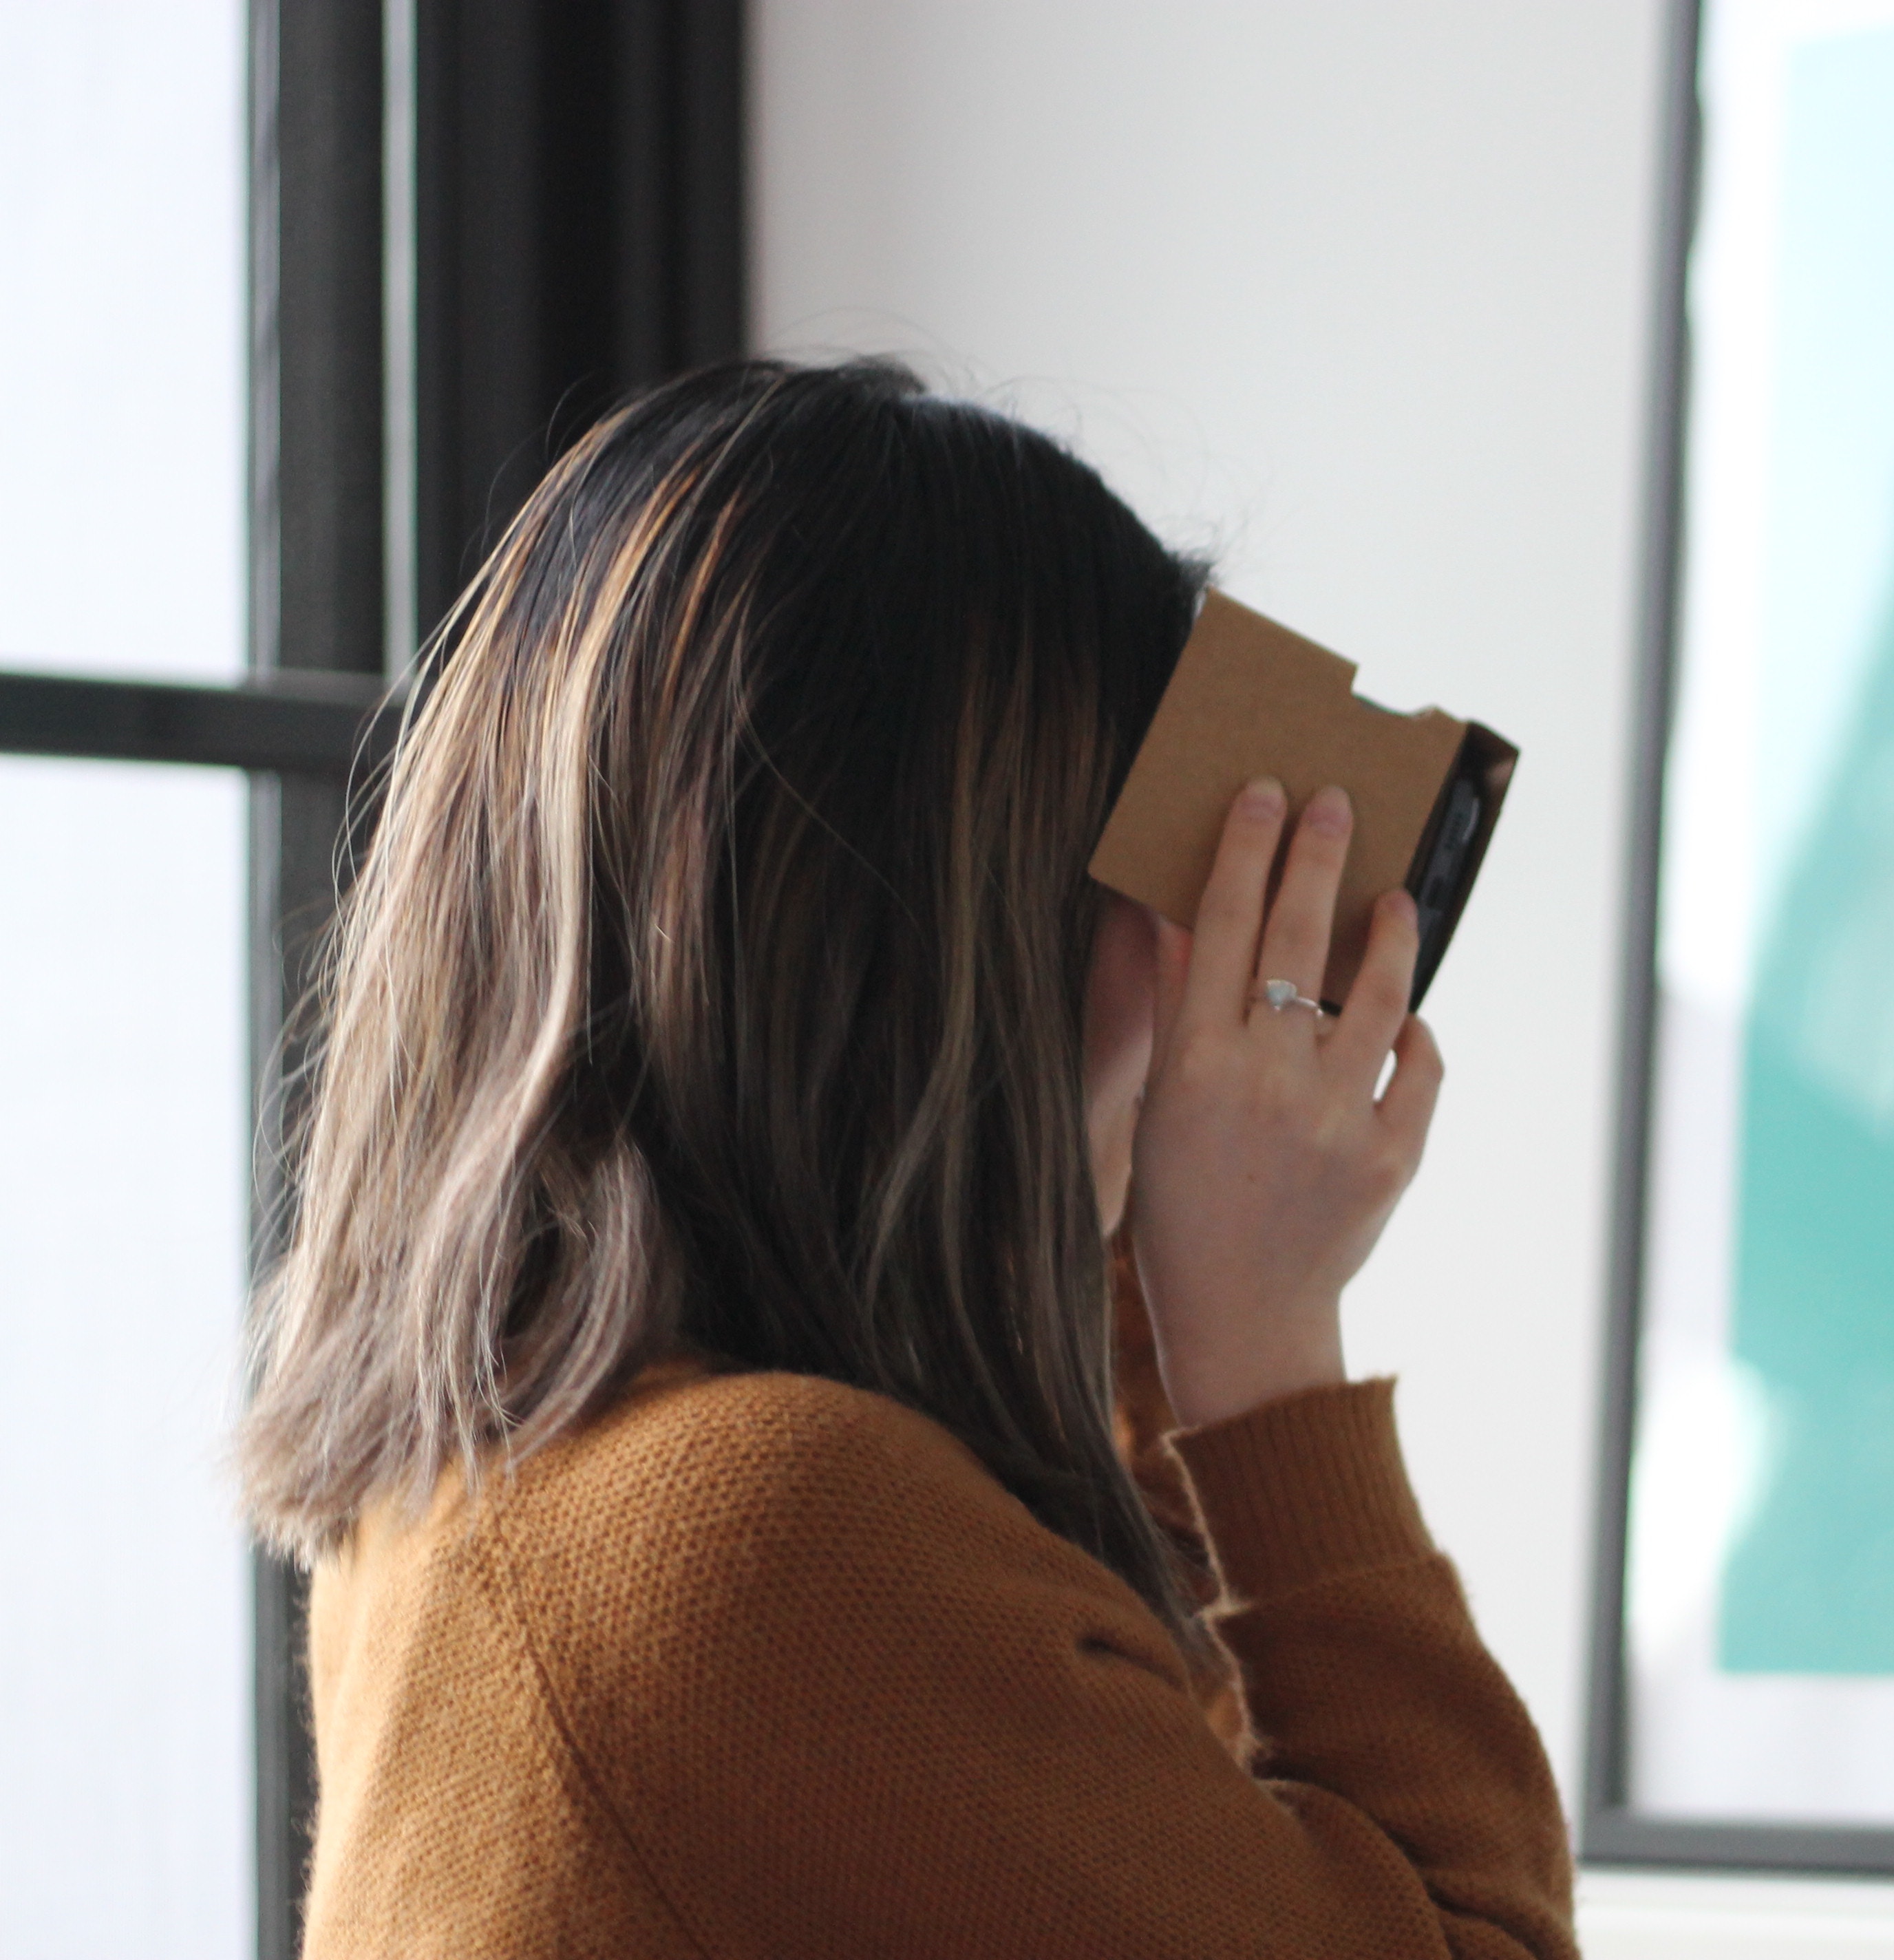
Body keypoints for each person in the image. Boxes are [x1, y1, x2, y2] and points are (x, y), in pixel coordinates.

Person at [235, 359, 1575, 1958]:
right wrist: (1268, 1358)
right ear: (968, 936)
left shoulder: (504, 1495)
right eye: (1151, 886)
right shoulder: (759, 1545)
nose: (1190, 971)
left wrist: (1140, 1258)